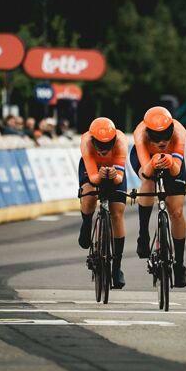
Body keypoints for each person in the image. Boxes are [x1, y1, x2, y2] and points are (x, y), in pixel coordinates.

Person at [130, 106, 186, 288]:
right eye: (157, 137)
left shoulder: (179, 132)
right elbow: (146, 172)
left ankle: (179, 265)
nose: (162, 141)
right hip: (146, 158)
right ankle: (143, 234)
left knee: (177, 212)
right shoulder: (139, 133)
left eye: (166, 136)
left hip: (172, 160)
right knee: (148, 182)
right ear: (148, 133)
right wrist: (152, 164)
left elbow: (177, 169)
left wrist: (170, 161)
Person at [78, 117, 129, 289]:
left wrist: (114, 175)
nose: (103, 151)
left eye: (108, 147)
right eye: (100, 147)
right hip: (91, 168)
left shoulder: (121, 141)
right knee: (89, 195)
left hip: (115, 169)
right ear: (93, 141)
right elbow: (93, 177)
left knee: (117, 212)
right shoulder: (86, 142)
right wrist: (99, 176)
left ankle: (117, 267)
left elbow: (120, 177)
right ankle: (86, 223)